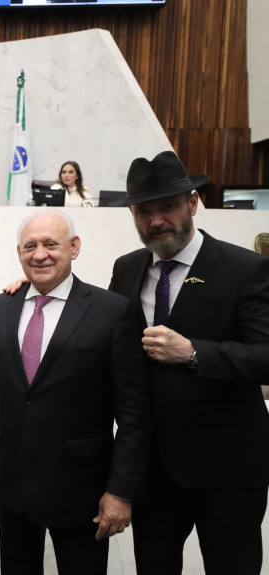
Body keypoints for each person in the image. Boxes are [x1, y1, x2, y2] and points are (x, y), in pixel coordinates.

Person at [0, 210, 151, 575]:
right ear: (19, 252)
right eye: (30, 246)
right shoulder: (0, 307)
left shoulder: (112, 311)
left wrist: (121, 491)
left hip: (83, 493)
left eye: (51, 244)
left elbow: (133, 414)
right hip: (13, 487)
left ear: (74, 247)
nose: (40, 254)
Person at [108, 151, 269, 575]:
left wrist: (195, 353)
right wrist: (35, 291)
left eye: (168, 207)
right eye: (145, 211)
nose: (156, 220)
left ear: (193, 203)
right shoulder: (126, 270)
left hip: (229, 472)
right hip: (153, 474)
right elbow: (102, 336)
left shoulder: (245, 269)